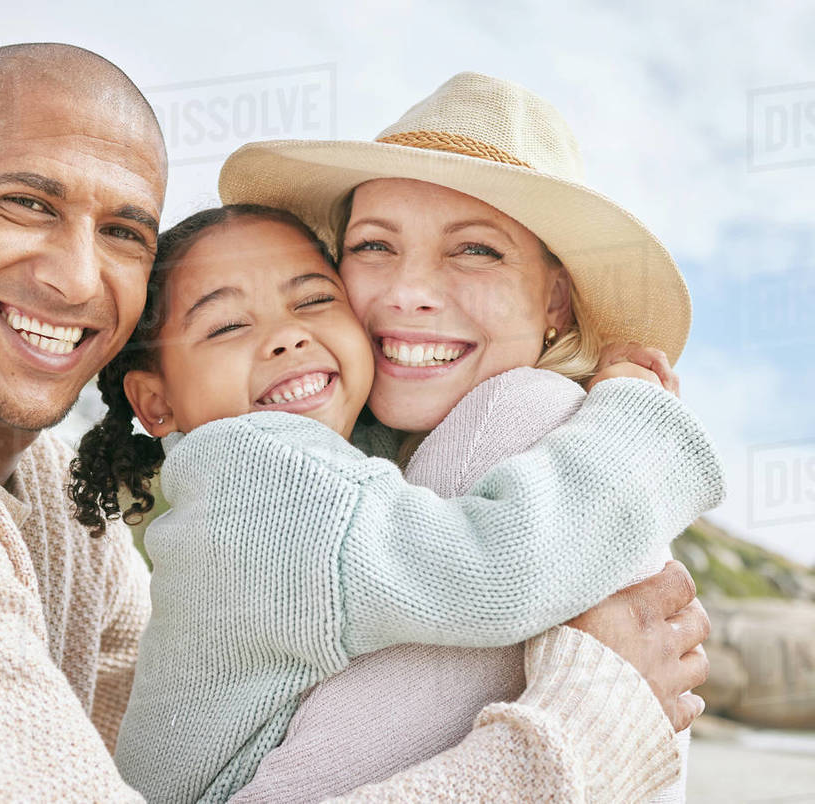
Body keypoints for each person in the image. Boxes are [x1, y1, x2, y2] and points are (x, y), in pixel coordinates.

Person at [0, 45, 710, 802]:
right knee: (527, 419)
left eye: (127, 231)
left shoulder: (48, 495)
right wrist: (585, 733)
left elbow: (152, 724)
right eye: (26, 203)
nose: (74, 275)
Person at [71, 204, 722, 803]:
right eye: (229, 325)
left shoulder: (343, 458)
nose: (286, 338)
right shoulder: (247, 471)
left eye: (316, 301)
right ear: (154, 403)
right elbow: (495, 570)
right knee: (545, 419)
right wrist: (637, 423)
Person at [221, 71, 700, 803]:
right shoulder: (349, 461)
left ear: (555, 300)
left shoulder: (523, 419)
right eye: (375, 245)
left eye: (475, 250)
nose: (409, 289)